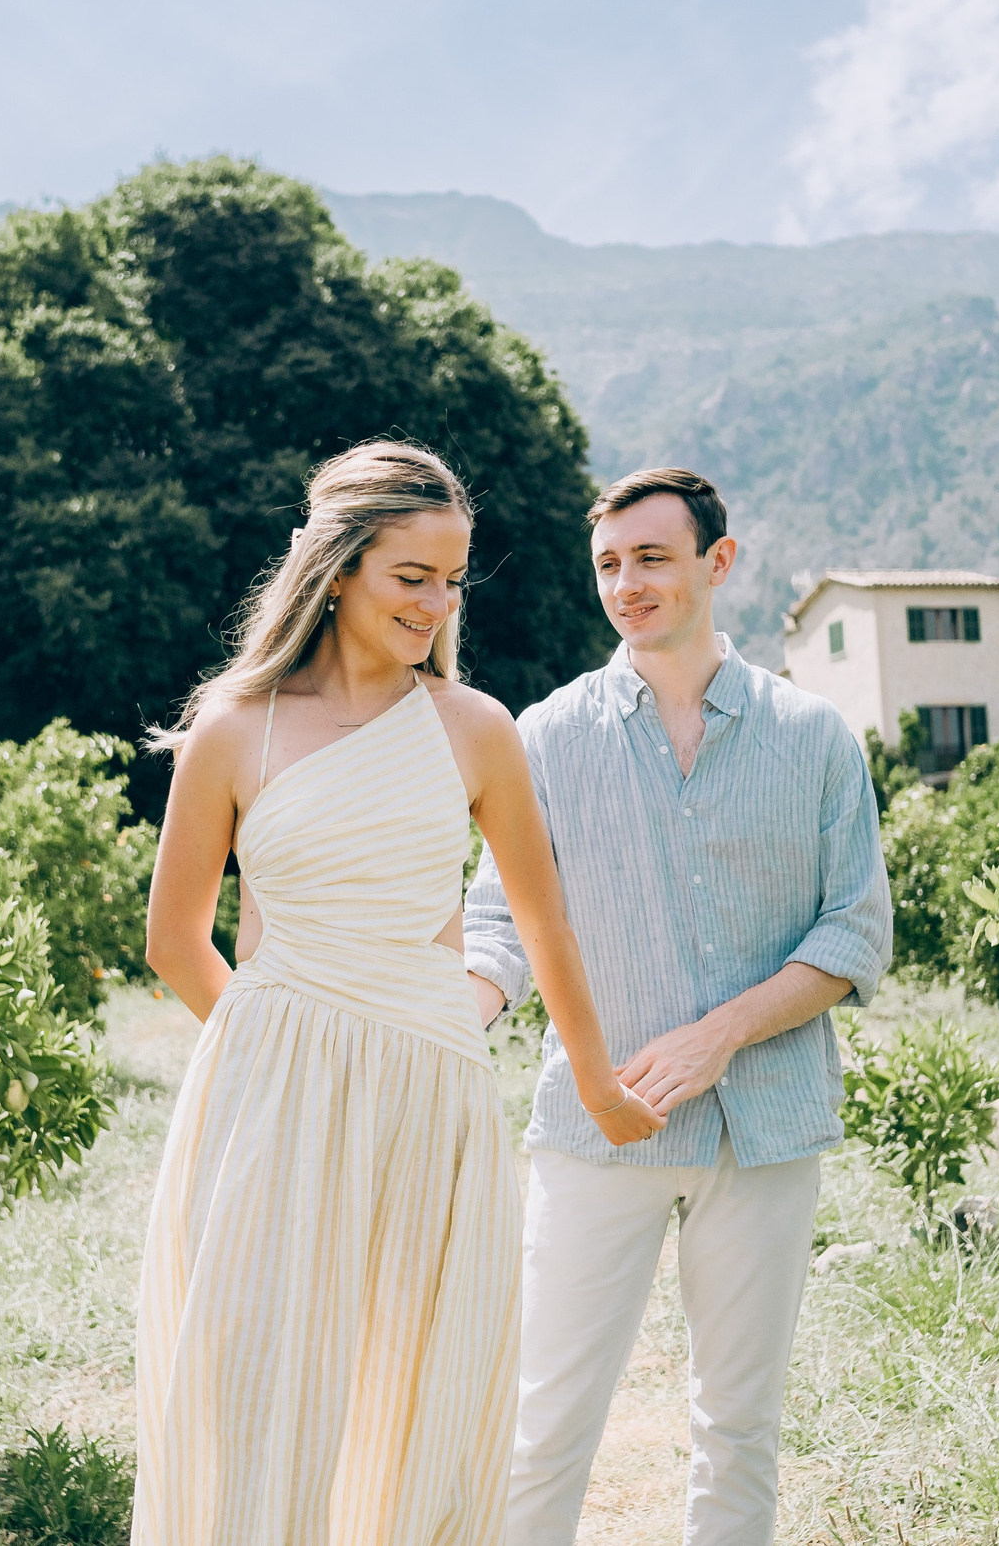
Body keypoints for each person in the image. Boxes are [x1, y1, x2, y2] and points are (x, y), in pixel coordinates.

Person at [132, 440, 662, 1546]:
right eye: (409, 577)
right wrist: (273, 1046)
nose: (436, 603)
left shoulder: (475, 729)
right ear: (337, 570)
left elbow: (542, 919)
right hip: (269, 1093)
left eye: (453, 579)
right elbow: (176, 940)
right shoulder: (235, 728)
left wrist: (600, 1083)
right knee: (255, 1382)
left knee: (418, 1387)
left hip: (434, 1087)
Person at [462, 467, 892, 1545]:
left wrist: (720, 1035)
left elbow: (852, 933)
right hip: (594, 1125)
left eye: (651, 558)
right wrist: (448, 1017)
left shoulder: (815, 738)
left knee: (738, 1424)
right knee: (544, 1419)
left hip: (769, 1128)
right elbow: (500, 923)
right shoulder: (546, 738)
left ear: (718, 561)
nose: (626, 584)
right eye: (608, 565)